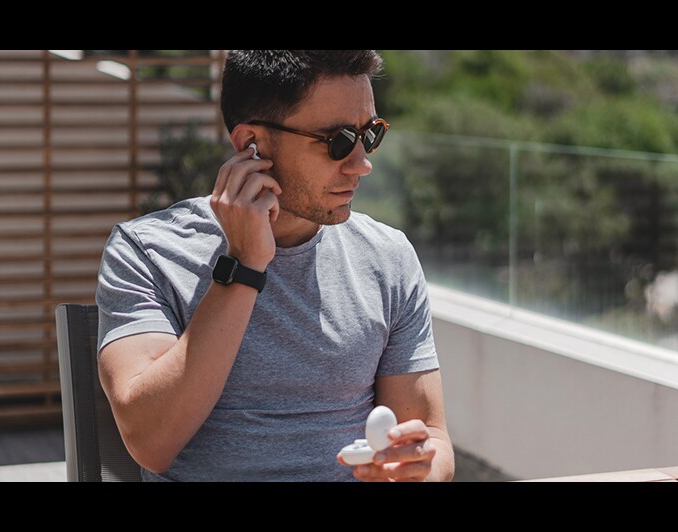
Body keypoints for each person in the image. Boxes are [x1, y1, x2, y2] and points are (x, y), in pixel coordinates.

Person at [96, 50, 453, 481]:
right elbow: (151, 442)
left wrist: (417, 468)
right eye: (337, 140)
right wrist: (244, 265)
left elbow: (432, 440)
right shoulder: (148, 252)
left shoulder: (387, 256)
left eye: (369, 135)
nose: (362, 163)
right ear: (252, 143)